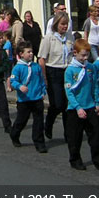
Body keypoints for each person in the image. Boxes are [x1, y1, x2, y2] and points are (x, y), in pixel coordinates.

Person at [64, 38, 99, 172]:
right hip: (75, 109)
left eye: (87, 55)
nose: (85, 57)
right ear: (75, 53)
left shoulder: (90, 67)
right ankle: (75, 159)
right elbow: (69, 91)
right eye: (83, 55)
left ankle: (98, 160)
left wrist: (96, 102)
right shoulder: (70, 71)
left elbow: (94, 85)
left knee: (95, 135)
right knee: (75, 137)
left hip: (90, 106)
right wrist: (77, 108)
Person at [38, 11, 73, 141]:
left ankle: (68, 133)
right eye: (62, 24)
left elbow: (72, 55)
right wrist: (44, 77)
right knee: (57, 104)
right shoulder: (48, 38)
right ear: (56, 24)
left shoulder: (69, 38)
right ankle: (48, 124)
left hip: (67, 71)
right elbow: (41, 59)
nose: (65, 27)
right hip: (53, 72)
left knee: (66, 105)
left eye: (66, 24)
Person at [9, 40, 47, 153]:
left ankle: (39, 142)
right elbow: (13, 80)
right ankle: (14, 134)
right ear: (21, 54)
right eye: (28, 52)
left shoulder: (36, 66)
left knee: (39, 121)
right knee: (22, 120)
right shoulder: (18, 67)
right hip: (24, 100)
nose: (31, 54)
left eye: (32, 51)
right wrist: (20, 86)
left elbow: (41, 80)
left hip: (36, 98)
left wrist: (43, 91)